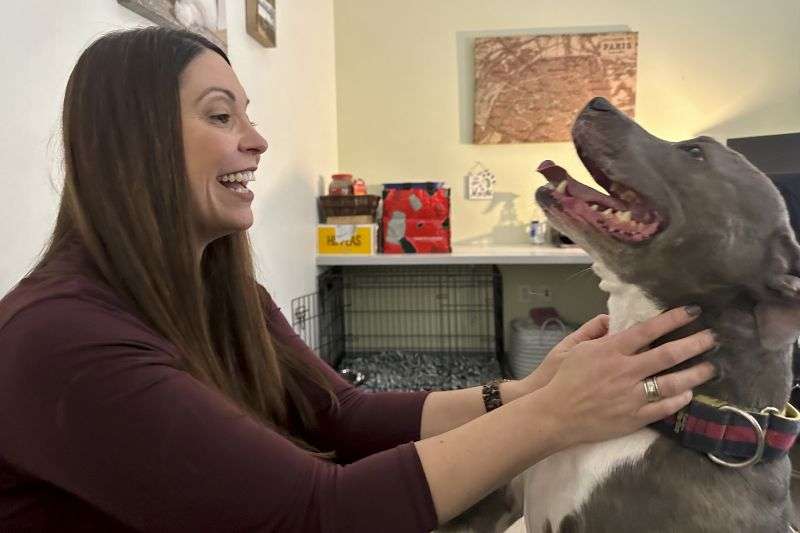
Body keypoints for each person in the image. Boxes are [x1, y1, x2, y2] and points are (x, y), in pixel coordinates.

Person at [0, 27, 716, 532]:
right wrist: (555, 415)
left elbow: (339, 414)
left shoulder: (226, 298)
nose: (257, 138)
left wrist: (524, 393)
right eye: (222, 115)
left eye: (248, 113)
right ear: (135, 143)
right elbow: (320, 513)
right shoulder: (60, 343)